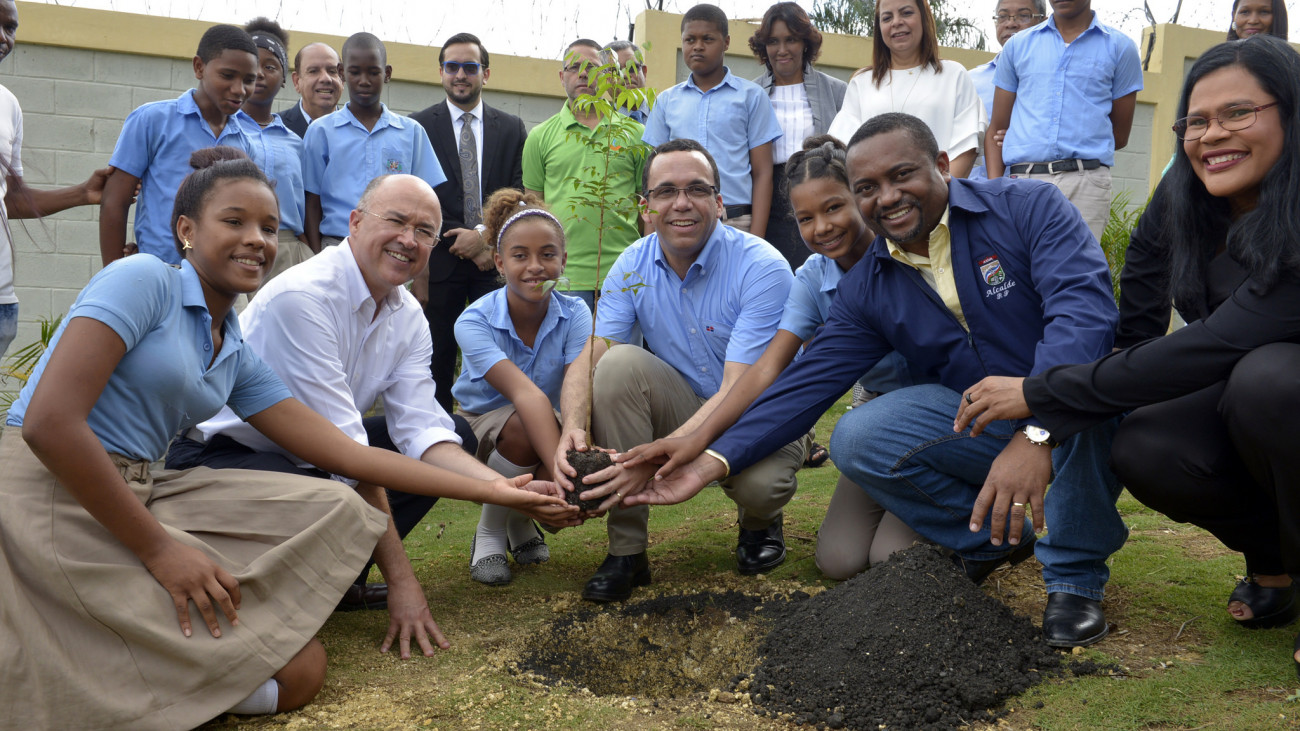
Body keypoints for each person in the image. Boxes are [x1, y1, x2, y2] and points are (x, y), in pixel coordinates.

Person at [0, 150, 566, 729]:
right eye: (235, 221)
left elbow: (347, 454)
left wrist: (500, 492)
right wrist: (161, 552)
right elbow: (48, 425)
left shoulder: (232, 344)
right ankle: (128, 676)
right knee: (289, 663)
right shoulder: (142, 278)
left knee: (306, 653)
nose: (257, 240)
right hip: (53, 489)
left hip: (146, 486)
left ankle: (194, 654)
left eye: (269, 228)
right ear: (186, 230)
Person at [627, 114, 1125, 649]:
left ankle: (1074, 579)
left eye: (901, 175)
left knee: (1091, 391)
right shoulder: (868, 285)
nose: (886, 197)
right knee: (857, 436)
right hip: (982, 417)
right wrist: (705, 463)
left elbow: (1084, 317)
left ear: (940, 166)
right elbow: (803, 388)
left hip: (1066, 403)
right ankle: (988, 538)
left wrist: (1038, 427)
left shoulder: (1027, 208)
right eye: (867, 188)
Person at [957, 35, 1300, 676]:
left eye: (1239, 113)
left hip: (1277, 390)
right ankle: (1274, 567)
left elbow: (1219, 342)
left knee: (1268, 380)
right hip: (1242, 393)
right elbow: (1136, 341)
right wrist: (1046, 430)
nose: (1211, 134)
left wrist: (1037, 395)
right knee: (1144, 442)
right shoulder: (1181, 208)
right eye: (1196, 121)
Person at [166, 171, 576, 647]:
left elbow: (421, 431)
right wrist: (404, 581)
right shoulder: (305, 298)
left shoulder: (407, 317)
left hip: (324, 456)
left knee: (455, 439)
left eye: (425, 231)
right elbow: (349, 460)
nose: (409, 240)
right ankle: (294, 580)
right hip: (223, 456)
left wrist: (504, 488)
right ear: (356, 222)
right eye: (396, 221)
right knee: (340, 490)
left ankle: (336, 577)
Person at [620, 136, 920, 580]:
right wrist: (698, 453)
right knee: (839, 561)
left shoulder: (907, 256)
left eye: (834, 207)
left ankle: (966, 516)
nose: (822, 227)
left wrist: (695, 445)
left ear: (860, 196)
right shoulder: (812, 280)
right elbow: (766, 370)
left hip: (932, 409)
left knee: (891, 558)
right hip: (876, 419)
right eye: (805, 218)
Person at [552, 138, 808, 603]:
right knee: (616, 364)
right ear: (645, 206)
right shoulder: (631, 264)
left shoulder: (762, 267)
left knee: (762, 486)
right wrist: (571, 425)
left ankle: (759, 523)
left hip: (763, 412)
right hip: (687, 403)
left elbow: (741, 386)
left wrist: (652, 458)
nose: (682, 203)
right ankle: (627, 552)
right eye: (666, 191)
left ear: (719, 201)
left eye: (697, 189)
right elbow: (592, 351)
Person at [453, 190, 592, 585]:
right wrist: (564, 479)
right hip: (483, 431)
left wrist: (567, 469)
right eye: (520, 256)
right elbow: (526, 396)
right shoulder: (474, 320)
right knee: (522, 423)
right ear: (499, 262)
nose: (536, 267)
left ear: (563, 260)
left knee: (553, 423)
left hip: (547, 422)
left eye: (548, 254)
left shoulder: (577, 313)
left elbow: (576, 388)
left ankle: (518, 523)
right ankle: (491, 530)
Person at [410, 32, 527, 414]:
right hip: (438, 261)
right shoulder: (419, 126)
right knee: (435, 356)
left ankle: (489, 433)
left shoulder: (510, 128)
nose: (461, 74)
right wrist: (458, 237)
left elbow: (518, 190)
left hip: (490, 263)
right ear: (441, 72)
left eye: (470, 67)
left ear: (485, 73)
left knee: (493, 354)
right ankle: (434, 437)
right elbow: (418, 192)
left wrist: (484, 236)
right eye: (452, 66)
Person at [0, 0, 111, 358]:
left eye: (11, 27)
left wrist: (82, 193)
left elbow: (11, 198)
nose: (4, 37)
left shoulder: (8, 105)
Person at [101, 24, 261, 266]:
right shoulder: (153, 120)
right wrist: (114, 273)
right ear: (199, 67)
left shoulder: (246, 141)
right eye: (227, 76)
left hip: (216, 277)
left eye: (249, 80)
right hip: (158, 270)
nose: (239, 89)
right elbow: (114, 201)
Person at [984, 0, 1142, 242]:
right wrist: (996, 190)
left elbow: (1118, 135)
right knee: (1020, 274)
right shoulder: (1017, 46)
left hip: (1086, 184)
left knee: (1076, 274)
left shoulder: (1120, 48)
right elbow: (997, 130)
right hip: (1022, 184)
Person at [523, 38, 646, 309]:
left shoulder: (634, 133)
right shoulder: (540, 137)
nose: (582, 74)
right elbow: (534, 212)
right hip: (564, 276)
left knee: (622, 353)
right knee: (567, 353)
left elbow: (645, 209)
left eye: (592, 67)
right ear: (561, 76)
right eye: (573, 67)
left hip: (624, 273)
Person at [643, 4, 783, 238]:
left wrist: (757, 238)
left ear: (726, 42)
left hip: (735, 222)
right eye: (690, 40)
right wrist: (650, 238)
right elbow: (653, 177)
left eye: (707, 39)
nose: (697, 46)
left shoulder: (751, 97)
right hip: (681, 220)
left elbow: (762, 174)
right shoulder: (666, 101)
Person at [303, 32, 446, 252]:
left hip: (395, 247)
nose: (364, 80)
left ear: (387, 73)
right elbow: (312, 202)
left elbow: (426, 202)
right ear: (342, 72)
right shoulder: (321, 131)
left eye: (373, 72)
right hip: (337, 245)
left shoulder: (411, 132)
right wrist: (315, 256)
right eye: (354, 72)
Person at [827, 0, 981, 179]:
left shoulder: (954, 75)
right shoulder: (861, 83)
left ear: (924, 18)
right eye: (887, 17)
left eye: (906, 13)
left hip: (939, 197)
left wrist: (937, 194)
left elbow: (966, 147)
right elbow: (842, 149)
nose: (896, 22)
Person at [748, 2, 847, 270]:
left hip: (819, 198)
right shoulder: (749, 94)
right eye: (773, 41)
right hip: (767, 204)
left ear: (805, 42)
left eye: (790, 39)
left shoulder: (837, 91)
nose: (781, 50)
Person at [240, 17, 311, 288]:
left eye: (270, 66)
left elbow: (307, 203)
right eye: (252, 65)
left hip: (287, 252)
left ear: (284, 79)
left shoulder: (296, 142)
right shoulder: (223, 130)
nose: (259, 73)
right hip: (238, 246)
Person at [967, 0, 1046, 179]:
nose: (1010, 23)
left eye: (1023, 15)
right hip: (981, 192)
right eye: (1002, 17)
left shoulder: (1057, 80)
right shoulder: (972, 80)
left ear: (1044, 22)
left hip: (1039, 187)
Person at [280, 41, 343, 138]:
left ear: (342, 80)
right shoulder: (275, 128)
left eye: (332, 71)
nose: (325, 78)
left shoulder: (359, 132)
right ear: (297, 81)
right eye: (313, 71)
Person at [603, 40, 652, 124]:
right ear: (605, 79)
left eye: (632, 68)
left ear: (644, 72)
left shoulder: (665, 113)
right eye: (616, 71)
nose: (625, 75)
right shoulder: (599, 124)